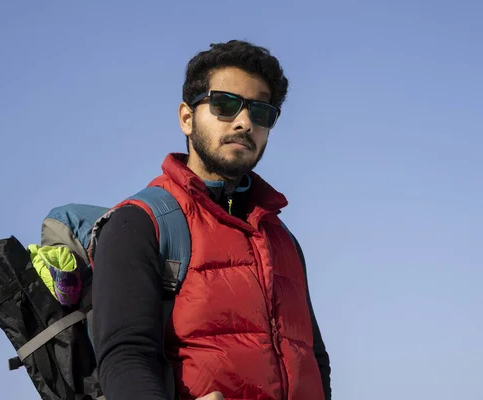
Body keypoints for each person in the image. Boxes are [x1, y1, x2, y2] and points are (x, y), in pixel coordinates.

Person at [91, 40, 331, 400]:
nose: (245, 122)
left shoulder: (282, 237)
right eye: (224, 104)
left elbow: (315, 358)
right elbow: (125, 359)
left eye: (261, 112)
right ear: (187, 118)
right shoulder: (138, 223)